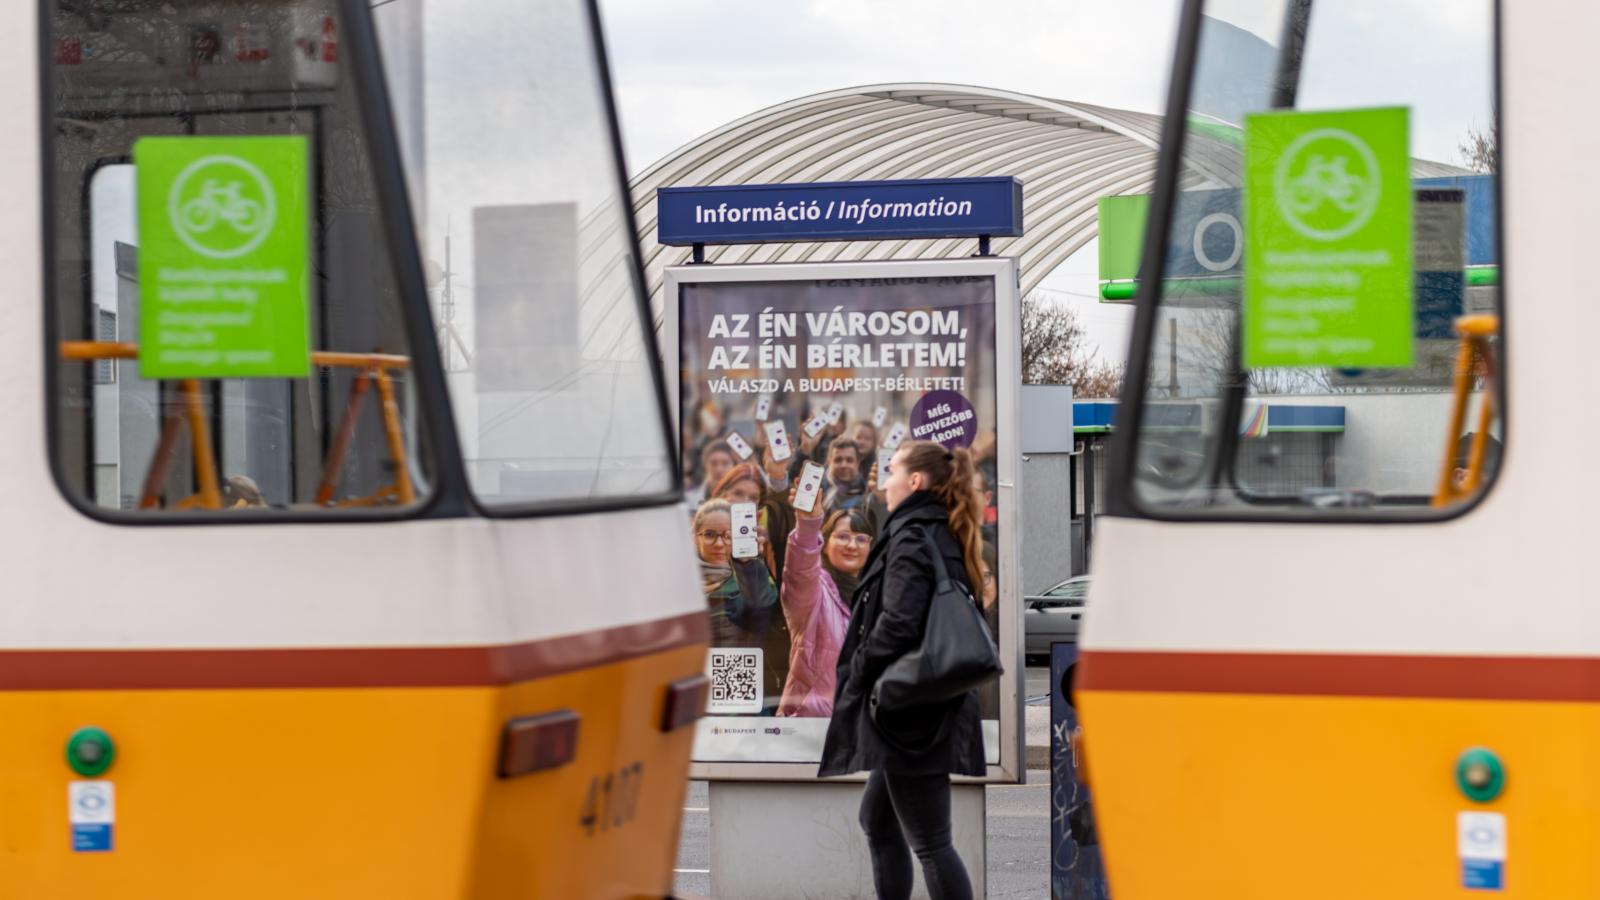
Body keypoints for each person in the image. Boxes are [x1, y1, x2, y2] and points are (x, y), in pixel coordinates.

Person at [820, 440, 987, 900]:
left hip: (910, 712)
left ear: (915, 481)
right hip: (922, 706)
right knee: (877, 821)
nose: (884, 479)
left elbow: (899, 621)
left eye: (892, 470)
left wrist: (859, 666)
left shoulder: (913, 534)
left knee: (932, 842)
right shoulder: (938, 529)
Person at [777, 503, 875, 717]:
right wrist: (807, 526)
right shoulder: (814, 588)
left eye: (861, 539)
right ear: (825, 541)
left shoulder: (878, 595)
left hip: (861, 723)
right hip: (813, 723)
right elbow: (799, 570)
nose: (852, 545)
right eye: (842, 536)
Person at [693, 498, 782, 713]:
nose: (719, 544)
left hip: (740, 692)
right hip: (692, 692)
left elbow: (758, 613)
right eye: (710, 534)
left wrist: (748, 566)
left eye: (728, 535)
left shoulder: (754, 576)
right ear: (696, 537)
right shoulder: (680, 581)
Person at [687, 440, 738, 507]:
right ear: (705, 465)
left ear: (734, 466)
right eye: (713, 463)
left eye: (725, 463)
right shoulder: (690, 499)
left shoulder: (741, 500)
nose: (719, 469)